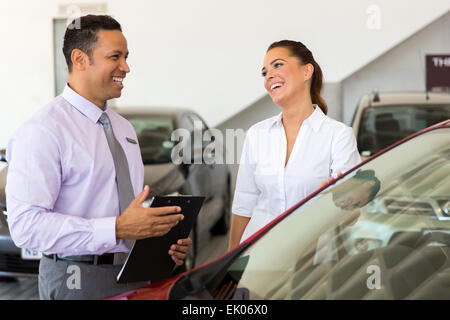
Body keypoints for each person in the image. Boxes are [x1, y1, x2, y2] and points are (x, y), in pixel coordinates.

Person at [5, 15, 191, 300]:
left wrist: (160, 239)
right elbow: (27, 227)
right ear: (79, 59)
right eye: (115, 57)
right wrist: (116, 228)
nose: (126, 67)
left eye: (126, 57)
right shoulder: (42, 131)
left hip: (137, 274)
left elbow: (128, 212)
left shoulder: (123, 128)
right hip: (76, 279)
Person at [229, 40, 361, 250]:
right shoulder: (257, 134)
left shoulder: (338, 136)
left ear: (307, 71)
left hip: (310, 266)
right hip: (256, 258)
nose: (269, 76)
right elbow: (244, 204)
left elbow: (352, 215)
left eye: (278, 65)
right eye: (264, 72)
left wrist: (342, 200)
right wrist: (228, 271)